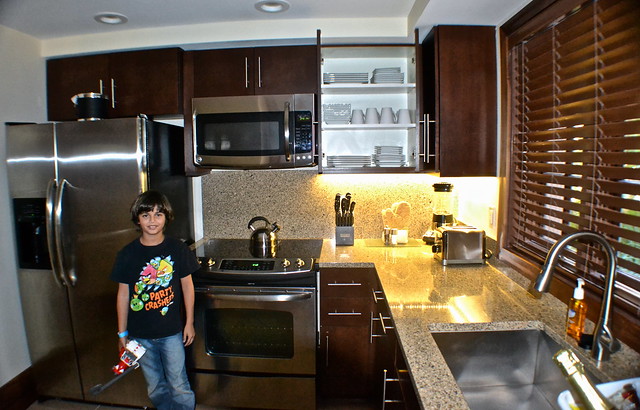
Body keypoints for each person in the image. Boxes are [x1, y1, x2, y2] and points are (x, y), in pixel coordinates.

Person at [110, 190, 198, 410]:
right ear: (137, 218)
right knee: (155, 387)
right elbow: (123, 295)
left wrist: (189, 322)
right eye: (146, 214)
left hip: (172, 333)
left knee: (179, 384)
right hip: (140, 337)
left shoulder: (177, 249)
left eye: (158, 214)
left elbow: (187, 286)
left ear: (166, 217)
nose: (152, 220)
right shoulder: (127, 254)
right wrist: (122, 333)